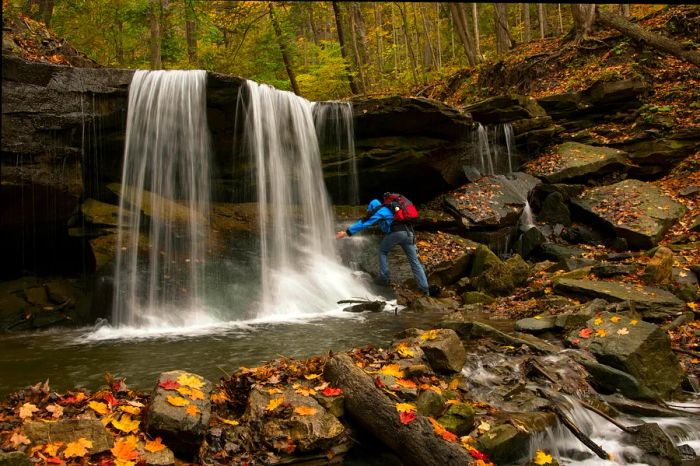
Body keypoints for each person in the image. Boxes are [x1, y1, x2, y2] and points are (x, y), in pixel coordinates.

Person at [336, 198, 430, 295]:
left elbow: (365, 222)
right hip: (410, 234)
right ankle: (424, 288)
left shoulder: (381, 210)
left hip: (397, 233)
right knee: (414, 262)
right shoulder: (394, 210)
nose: (370, 212)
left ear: (372, 207)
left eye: (370, 210)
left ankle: (384, 278)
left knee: (382, 251)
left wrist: (347, 232)